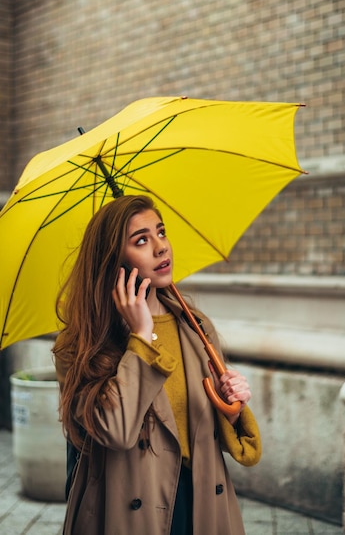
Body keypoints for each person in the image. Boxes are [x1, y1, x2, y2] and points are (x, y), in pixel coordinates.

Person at [53, 195, 261, 535]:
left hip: (203, 506)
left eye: (161, 232)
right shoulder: (79, 345)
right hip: (130, 512)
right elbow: (115, 431)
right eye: (141, 240)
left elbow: (205, 433)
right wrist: (140, 335)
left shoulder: (196, 327)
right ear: (113, 260)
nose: (161, 247)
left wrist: (232, 408)